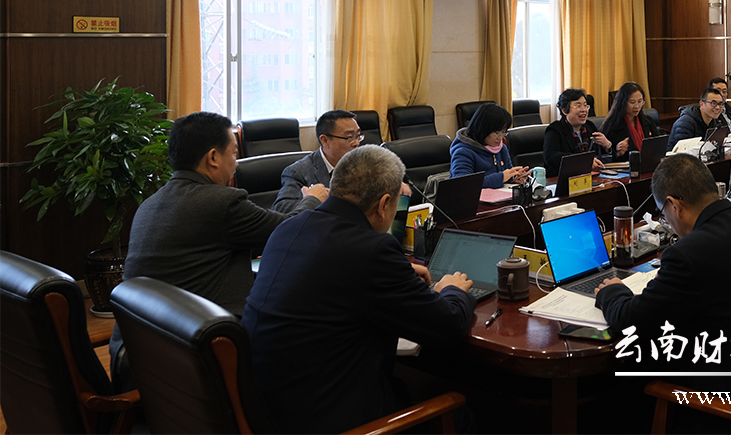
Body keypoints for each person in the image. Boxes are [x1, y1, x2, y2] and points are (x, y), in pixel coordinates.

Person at [244, 145, 475, 434]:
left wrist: (397, 275)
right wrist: (452, 290)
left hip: (272, 412)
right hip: (335, 422)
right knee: (464, 412)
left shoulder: (288, 228)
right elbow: (448, 326)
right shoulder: (372, 250)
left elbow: (337, 280)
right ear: (384, 204)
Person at [109, 112, 327, 386]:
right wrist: (312, 199)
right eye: (233, 154)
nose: (235, 164)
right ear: (213, 157)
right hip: (190, 354)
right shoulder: (221, 202)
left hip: (137, 351)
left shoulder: (150, 204)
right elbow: (288, 231)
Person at [595, 153, 731, 356]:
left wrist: (613, 291)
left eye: (663, 212)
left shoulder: (688, 254)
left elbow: (633, 320)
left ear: (674, 205)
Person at [273, 110, 361, 214]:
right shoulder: (298, 172)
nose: (356, 143)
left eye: (358, 136)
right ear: (325, 141)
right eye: (349, 138)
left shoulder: (362, 164)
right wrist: (313, 199)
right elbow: (281, 208)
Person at [449, 102, 529, 188]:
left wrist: (514, 177)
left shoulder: (502, 149)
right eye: (496, 132)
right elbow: (463, 184)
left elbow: (507, 173)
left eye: (503, 132)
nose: (500, 137)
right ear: (483, 129)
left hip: (500, 194)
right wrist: (501, 178)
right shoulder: (463, 152)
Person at [543, 88, 611, 173]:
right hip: (563, 177)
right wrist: (584, 160)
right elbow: (551, 157)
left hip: (590, 176)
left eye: (585, 105)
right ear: (564, 110)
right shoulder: (555, 129)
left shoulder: (589, 126)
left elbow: (600, 155)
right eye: (578, 106)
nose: (584, 110)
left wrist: (607, 146)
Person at [600, 81, 665, 157]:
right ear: (622, 103)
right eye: (632, 102)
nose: (637, 106)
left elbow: (657, 147)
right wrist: (617, 152)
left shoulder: (648, 121)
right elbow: (604, 156)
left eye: (640, 101)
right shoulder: (611, 126)